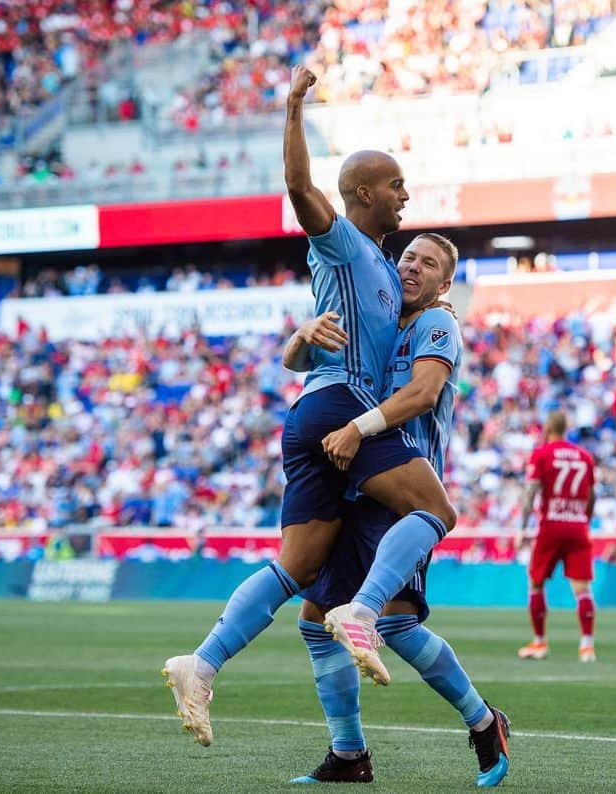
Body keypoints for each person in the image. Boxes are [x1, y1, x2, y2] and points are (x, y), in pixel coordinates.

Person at [163, 64, 459, 746]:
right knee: (436, 509)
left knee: (297, 569)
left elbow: (310, 348)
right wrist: (293, 105)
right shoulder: (344, 240)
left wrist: (299, 341)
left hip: (312, 411)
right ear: (363, 193)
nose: (405, 195)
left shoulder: (386, 271)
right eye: (395, 186)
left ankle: (200, 664)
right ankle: (366, 611)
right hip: (338, 412)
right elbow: (299, 186)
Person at [284, 234, 511, 787]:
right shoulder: (380, 327)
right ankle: (347, 753)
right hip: (359, 486)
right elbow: (305, 364)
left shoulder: (438, 325)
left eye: (428, 263)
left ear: (444, 283)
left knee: (398, 623)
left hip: (407, 490)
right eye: (408, 257)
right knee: (315, 622)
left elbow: (422, 394)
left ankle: (484, 722)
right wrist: (302, 337)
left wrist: (357, 427)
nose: (413, 267)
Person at [516, 411, 597, 662]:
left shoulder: (541, 454)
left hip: (551, 525)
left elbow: (531, 492)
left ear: (548, 427)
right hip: (577, 525)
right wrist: (585, 519)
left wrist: (521, 527)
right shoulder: (585, 456)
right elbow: (592, 495)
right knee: (582, 589)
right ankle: (587, 647)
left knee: (536, 582)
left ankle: (539, 643)